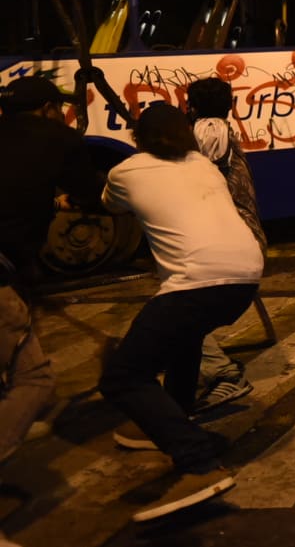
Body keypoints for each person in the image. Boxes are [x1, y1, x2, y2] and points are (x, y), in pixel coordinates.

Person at [99, 103, 263, 522]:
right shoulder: (204, 165)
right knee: (184, 338)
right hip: (246, 276)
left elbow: (111, 205)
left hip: (197, 281)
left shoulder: (126, 171)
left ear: (138, 137)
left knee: (122, 377)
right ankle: (175, 416)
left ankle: (198, 462)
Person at [0, 77, 102, 476]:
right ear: (46, 108)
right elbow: (89, 193)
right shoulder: (58, 138)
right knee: (34, 381)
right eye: (57, 107)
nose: (61, 113)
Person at [185, 77, 263, 412]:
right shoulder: (221, 127)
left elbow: (208, 167)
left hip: (228, 239)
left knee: (180, 310)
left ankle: (222, 374)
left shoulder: (209, 128)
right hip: (232, 236)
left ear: (192, 106)